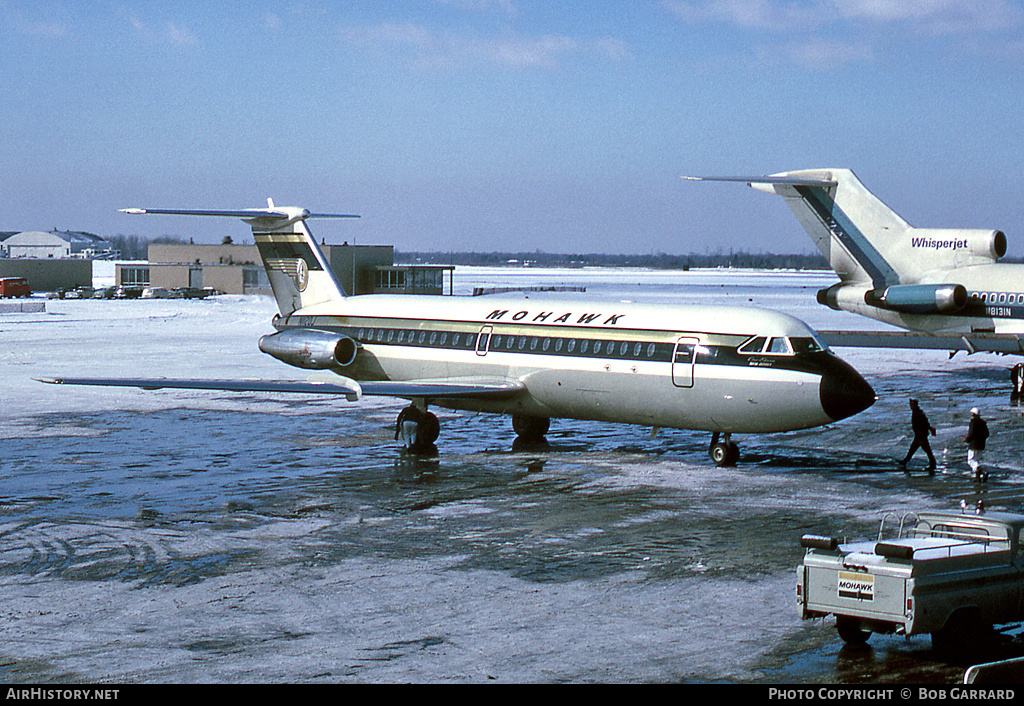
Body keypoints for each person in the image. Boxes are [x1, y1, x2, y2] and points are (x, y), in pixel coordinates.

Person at [899, 398, 936, 473]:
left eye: (911, 404)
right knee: (914, 448)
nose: (910, 406)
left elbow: (924, 423)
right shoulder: (917, 412)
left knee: (926, 450)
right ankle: (905, 461)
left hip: (921, 435)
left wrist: (925, 431)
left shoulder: (918, 413)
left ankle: (933, 464)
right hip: (920, 434)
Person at [963, 408, 990, 482]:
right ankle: (977, 477)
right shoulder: (983, 422)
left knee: (971, 461)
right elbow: (987, 434)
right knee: (976, 460)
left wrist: (967, 440)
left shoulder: (973, 422)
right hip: (981, 445)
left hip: (973, 445)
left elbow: (971, 433)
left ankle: (982, 472)